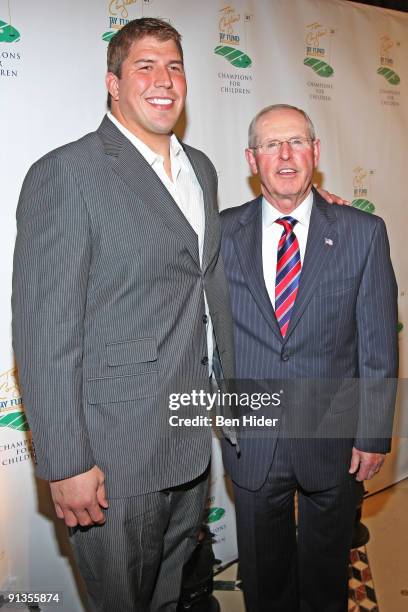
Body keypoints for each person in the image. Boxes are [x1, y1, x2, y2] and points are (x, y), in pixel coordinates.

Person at [11, 18, 236, 612]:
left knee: (166, 599)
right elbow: (44, 330)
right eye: (145, 66)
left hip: (189, 444)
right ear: (113, 83)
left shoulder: (203, 170)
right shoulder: (67, 173)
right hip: (113, 458)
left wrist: (308, 204)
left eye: (175, 66)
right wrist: (65, 462)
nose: (164, 80)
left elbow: (202, 262)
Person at [220, 104, 398, 612]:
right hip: (254, 439)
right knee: (264, 578)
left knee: (325, 576)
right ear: (252, 159)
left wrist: (371, 433)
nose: (285, 155)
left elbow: (379, 343)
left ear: (315, 153)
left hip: (333, 437)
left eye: (296, 142)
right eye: (271, 145)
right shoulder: (220, 234)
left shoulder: (362, 233)